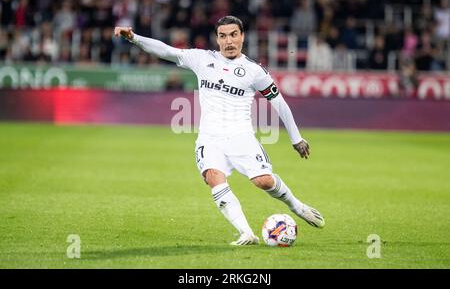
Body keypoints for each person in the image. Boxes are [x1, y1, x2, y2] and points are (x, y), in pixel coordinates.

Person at [114, 16, 325, 246]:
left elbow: (279, 103)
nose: (229, 41)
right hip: (209, 138)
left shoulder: (254, 71)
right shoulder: (202, 59)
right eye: (223, 36)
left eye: (234, 34)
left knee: (264, 181)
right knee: (214, 177)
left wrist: (296, 138)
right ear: (217, 39)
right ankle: (246, 233)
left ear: (242, 36)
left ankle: (297, 206)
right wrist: (134, 38)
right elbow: (166, 51)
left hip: (241, 137)